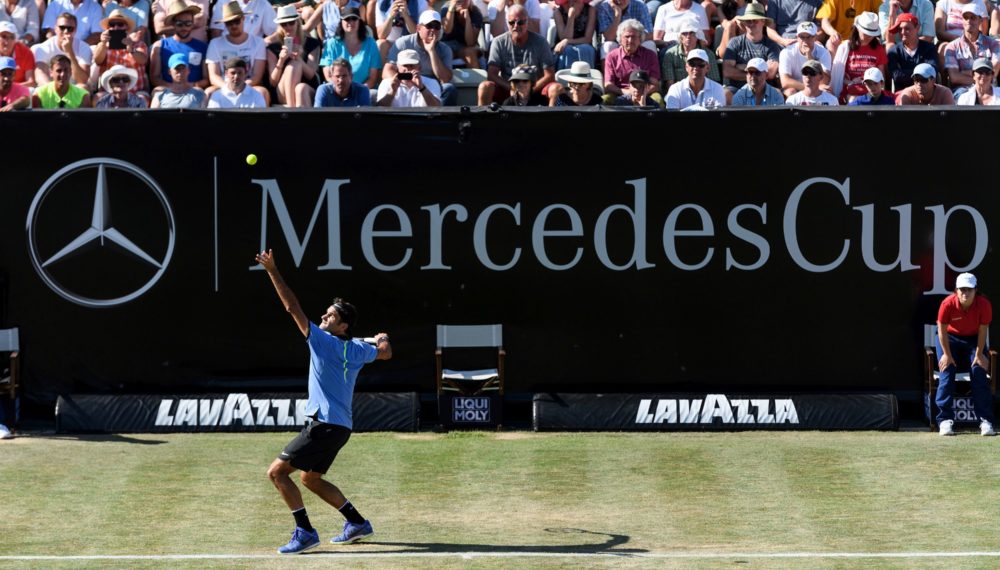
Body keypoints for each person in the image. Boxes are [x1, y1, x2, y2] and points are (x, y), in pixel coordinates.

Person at [255, 248, 391, 553]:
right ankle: (357, 523)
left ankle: (304, 532)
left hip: (323, 425)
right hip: (341, 428)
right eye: (325, 313)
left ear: (342, 326)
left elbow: (292, 306)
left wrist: (272, 271)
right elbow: (385, 352)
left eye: (330, 315)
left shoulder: (323, 341)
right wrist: (382, 338)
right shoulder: (358, 349)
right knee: (310, 478)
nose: (323, 317)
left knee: (276, 473)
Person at [935, 272, 994, 437]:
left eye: (969, 289)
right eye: (961, 289)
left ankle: (985, 421)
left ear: (975, 290)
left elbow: (983, 331)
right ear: (956, 290)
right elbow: (941, 330)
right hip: (950, 339)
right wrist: (946, 354)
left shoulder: (984, 305)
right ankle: (944, 420)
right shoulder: (947, 304)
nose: (965, 293)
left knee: (978, 371)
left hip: (974, 339)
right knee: (947, 371)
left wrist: (979, 354)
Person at [478, 4, 554, 104]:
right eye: (511, 22)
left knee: (556, 88)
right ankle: (483, 119)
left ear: (527, 22)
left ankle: (553, 119)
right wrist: (513, 88)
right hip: (509, 89)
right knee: (485, 87)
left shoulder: (541, 42)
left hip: (535, 89)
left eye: (520, 22)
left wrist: (529, 89)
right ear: (507, 23)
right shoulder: (498, 42)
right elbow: (492, 75)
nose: (516, 26)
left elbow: (550, 75)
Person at [385, 10, 454, 105]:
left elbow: (445, 79)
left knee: (449, 88)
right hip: (404, 84)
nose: (433, 30)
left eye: (437, 26)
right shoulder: (403, 43)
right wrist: (404, 82)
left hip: (430, 87)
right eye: (429, 26)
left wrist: (431, 51)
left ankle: (440, 119)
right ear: (418, 28)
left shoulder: (445, 49)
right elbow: (387, 70)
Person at [206, 2, 269, 103]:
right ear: (225, 24)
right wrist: (229, 88)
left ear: (243, 19)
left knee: (262, 92)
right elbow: (213, 76)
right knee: (208, 93)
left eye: (236, 21)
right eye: (229, 23)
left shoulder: (258, 43)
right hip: (224, 85)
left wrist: (242, 87)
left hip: (249, 85)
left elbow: (257, 76)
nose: (233, 25)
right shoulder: (215, 43)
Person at [267, 5, 321, 107]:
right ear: (280, 26)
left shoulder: (311, 44)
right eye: (284, 24)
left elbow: (311, 75)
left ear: (298, 22)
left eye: (291, 23)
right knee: (293, 65)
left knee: (300, 88)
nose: (288, 27)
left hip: (307, 88)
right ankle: (292, 110)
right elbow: (273, 82)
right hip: (281, 90)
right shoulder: (273, 48)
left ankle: (294, 115)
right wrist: (281, 61)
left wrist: (299, 58)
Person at [149, 0, 209, 92]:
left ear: (193, 24)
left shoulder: (203, 47)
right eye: (179, 24)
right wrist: (173, 87)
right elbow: (154, 78)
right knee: (157, 90)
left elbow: (206, 79)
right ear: (173, 24)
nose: (184, 27)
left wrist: (192, 86)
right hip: (169, 91)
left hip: (194, 91)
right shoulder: (160, 46)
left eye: (188, 23)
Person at [722, 3, 780, 96]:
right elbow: (727, 71)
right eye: (748, 21)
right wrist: (759, 72)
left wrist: (740, 67)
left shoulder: (772, 45)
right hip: (737, 88)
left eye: (755, 20)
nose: (751, 23)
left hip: (763, 89)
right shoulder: (734, 42)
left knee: (778, 93)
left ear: (763, 22)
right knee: (726, 94)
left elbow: (771, 73)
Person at [942, 4, 999, 98]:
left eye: (973, 17)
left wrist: (965, 73)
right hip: (962, 91)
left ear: (980, 20)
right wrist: (982, 77)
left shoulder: (993, 44)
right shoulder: (951, 47)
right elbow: (954, 77)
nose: (969, 21)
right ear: (962, 20)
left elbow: (994, 71)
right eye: (965, 17)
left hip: (990, 89)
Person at [92, 8, 149, 101]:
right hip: (109, 91)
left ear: (126, 27)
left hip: (135, 92)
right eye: (112, 25)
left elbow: (143, 60)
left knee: (142, 99)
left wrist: (131, 49)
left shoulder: (138, 44)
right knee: (97, 98)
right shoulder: (103, 45)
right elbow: (97, 60)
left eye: (120, 24)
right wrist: (103, 44)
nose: (116, 28)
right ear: (108, 28)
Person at [320, 6, 381, 90]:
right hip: (337, 90)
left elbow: (373, 78)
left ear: (359, 22)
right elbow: (328, 76)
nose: (351, 22)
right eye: (347, 19)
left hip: (364, 90)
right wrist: (341, 91)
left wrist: (358, 92)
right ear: (341, 22)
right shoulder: (332, 44)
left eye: (354, 19)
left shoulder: (371, 43)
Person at [831, 11, 886, 103]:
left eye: (872, 34)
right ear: (857, 29)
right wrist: (852, 83)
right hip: (850, 90)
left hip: (872, 90)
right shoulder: (845, 47)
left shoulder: (879, 49)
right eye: (866, 33)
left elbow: (881, 77)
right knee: (855, 101)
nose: (869, 36)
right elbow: (838, 78)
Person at [604, 19, 660, 101]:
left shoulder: (650, 55)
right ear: (620, 38)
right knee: (605, 100)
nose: (630, 40)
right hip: (620, 93)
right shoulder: (612, 56)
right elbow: (608, 85)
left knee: (658, 99)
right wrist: (625, 92)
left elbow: (655, 84)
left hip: (645, 93)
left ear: (640, 38)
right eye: (627, 37)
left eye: (633, 37)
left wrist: (640, 93)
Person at [31, 12, 91, 85]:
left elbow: (82, 80)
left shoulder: (84, 48)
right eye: (62, 28)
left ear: (75, 30)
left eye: (70, 29)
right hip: (51, 87)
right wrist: (52, 92)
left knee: (83, 87)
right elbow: (40, 74)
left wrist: (70, 52)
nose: (66, 31)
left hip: (74, 88)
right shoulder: (45, 47)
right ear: (55, 29)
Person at [885, 12, 937, 92]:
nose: (902, 32)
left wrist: (904, 73)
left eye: (907, 28)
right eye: (900, 29)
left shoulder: (929, 48)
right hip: (902, 95)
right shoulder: (894, 51)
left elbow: (932, 72)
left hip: (927, 95)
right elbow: (895, 76)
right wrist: (922, 75)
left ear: (917, 28)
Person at [778, 21, 830, 98]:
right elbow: (785, 82)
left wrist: (810, 59)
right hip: (798, 88)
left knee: (827, 90)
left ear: (815, 37)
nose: (805, 41)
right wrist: (808, 88)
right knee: (790, 91)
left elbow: (824, 80)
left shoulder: (823, 52)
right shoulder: (787, 52)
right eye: (802, 37)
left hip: (815, 88)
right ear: (797, 37)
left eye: (809, 37)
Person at [662, 20, 720, 89]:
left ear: (697, 36)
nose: (688, 36)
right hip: (679, 93)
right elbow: (670, 84)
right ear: (681, 37)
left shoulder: (708, 55)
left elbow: (713, 82)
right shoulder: (670, 54)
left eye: (692, 33)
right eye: (685, 33)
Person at [376, 47, 441, 105]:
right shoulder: (387, 83)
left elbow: (436, 108)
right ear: (397, 66)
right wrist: (392, 91)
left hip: (422, 118)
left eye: (411, 65)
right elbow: (380, 108)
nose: (407, 69)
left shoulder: (431, 82)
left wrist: (422, 88)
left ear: (419, 67)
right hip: (395, 118)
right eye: (404, 65)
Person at [816, 0, 880, 54]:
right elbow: (825, 21)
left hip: (863, 40)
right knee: (831, 43)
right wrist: (833, 32)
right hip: (840, 42)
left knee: (878, 43)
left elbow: (882, 12)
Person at [553, 0, 596, 70]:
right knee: (568, 49)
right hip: (563, 46)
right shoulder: (558, 12)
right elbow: (563, 38)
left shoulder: (590, 10)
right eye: (567, 1)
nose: (571, 3)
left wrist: (567, 41)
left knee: (585, 49)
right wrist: (571, 16)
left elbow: (588, 39)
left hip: (584, 44)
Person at [441, 0, 483, 68]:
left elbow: (470, 42)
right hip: (448, 44)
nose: (461, 2)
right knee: (444, 52)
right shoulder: (446, 9)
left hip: (465, 46)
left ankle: (478, 78)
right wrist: (451, 10)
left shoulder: (475, 13)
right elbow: (447, 30)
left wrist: (467, 20)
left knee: (470, 53)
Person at [209, 0, 277, 39]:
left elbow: (276, 32)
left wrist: (263, 44)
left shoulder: (263, 3)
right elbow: (216, 32)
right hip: (226, 48)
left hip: (254, 50)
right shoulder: (223, 1)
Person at [0, 21, 35, 87]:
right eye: (4, 37)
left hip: (20, 91)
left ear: (16, 40)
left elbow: (31, 82)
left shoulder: (25, 52)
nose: (7, 41)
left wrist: (10, 89)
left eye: (12, 37)